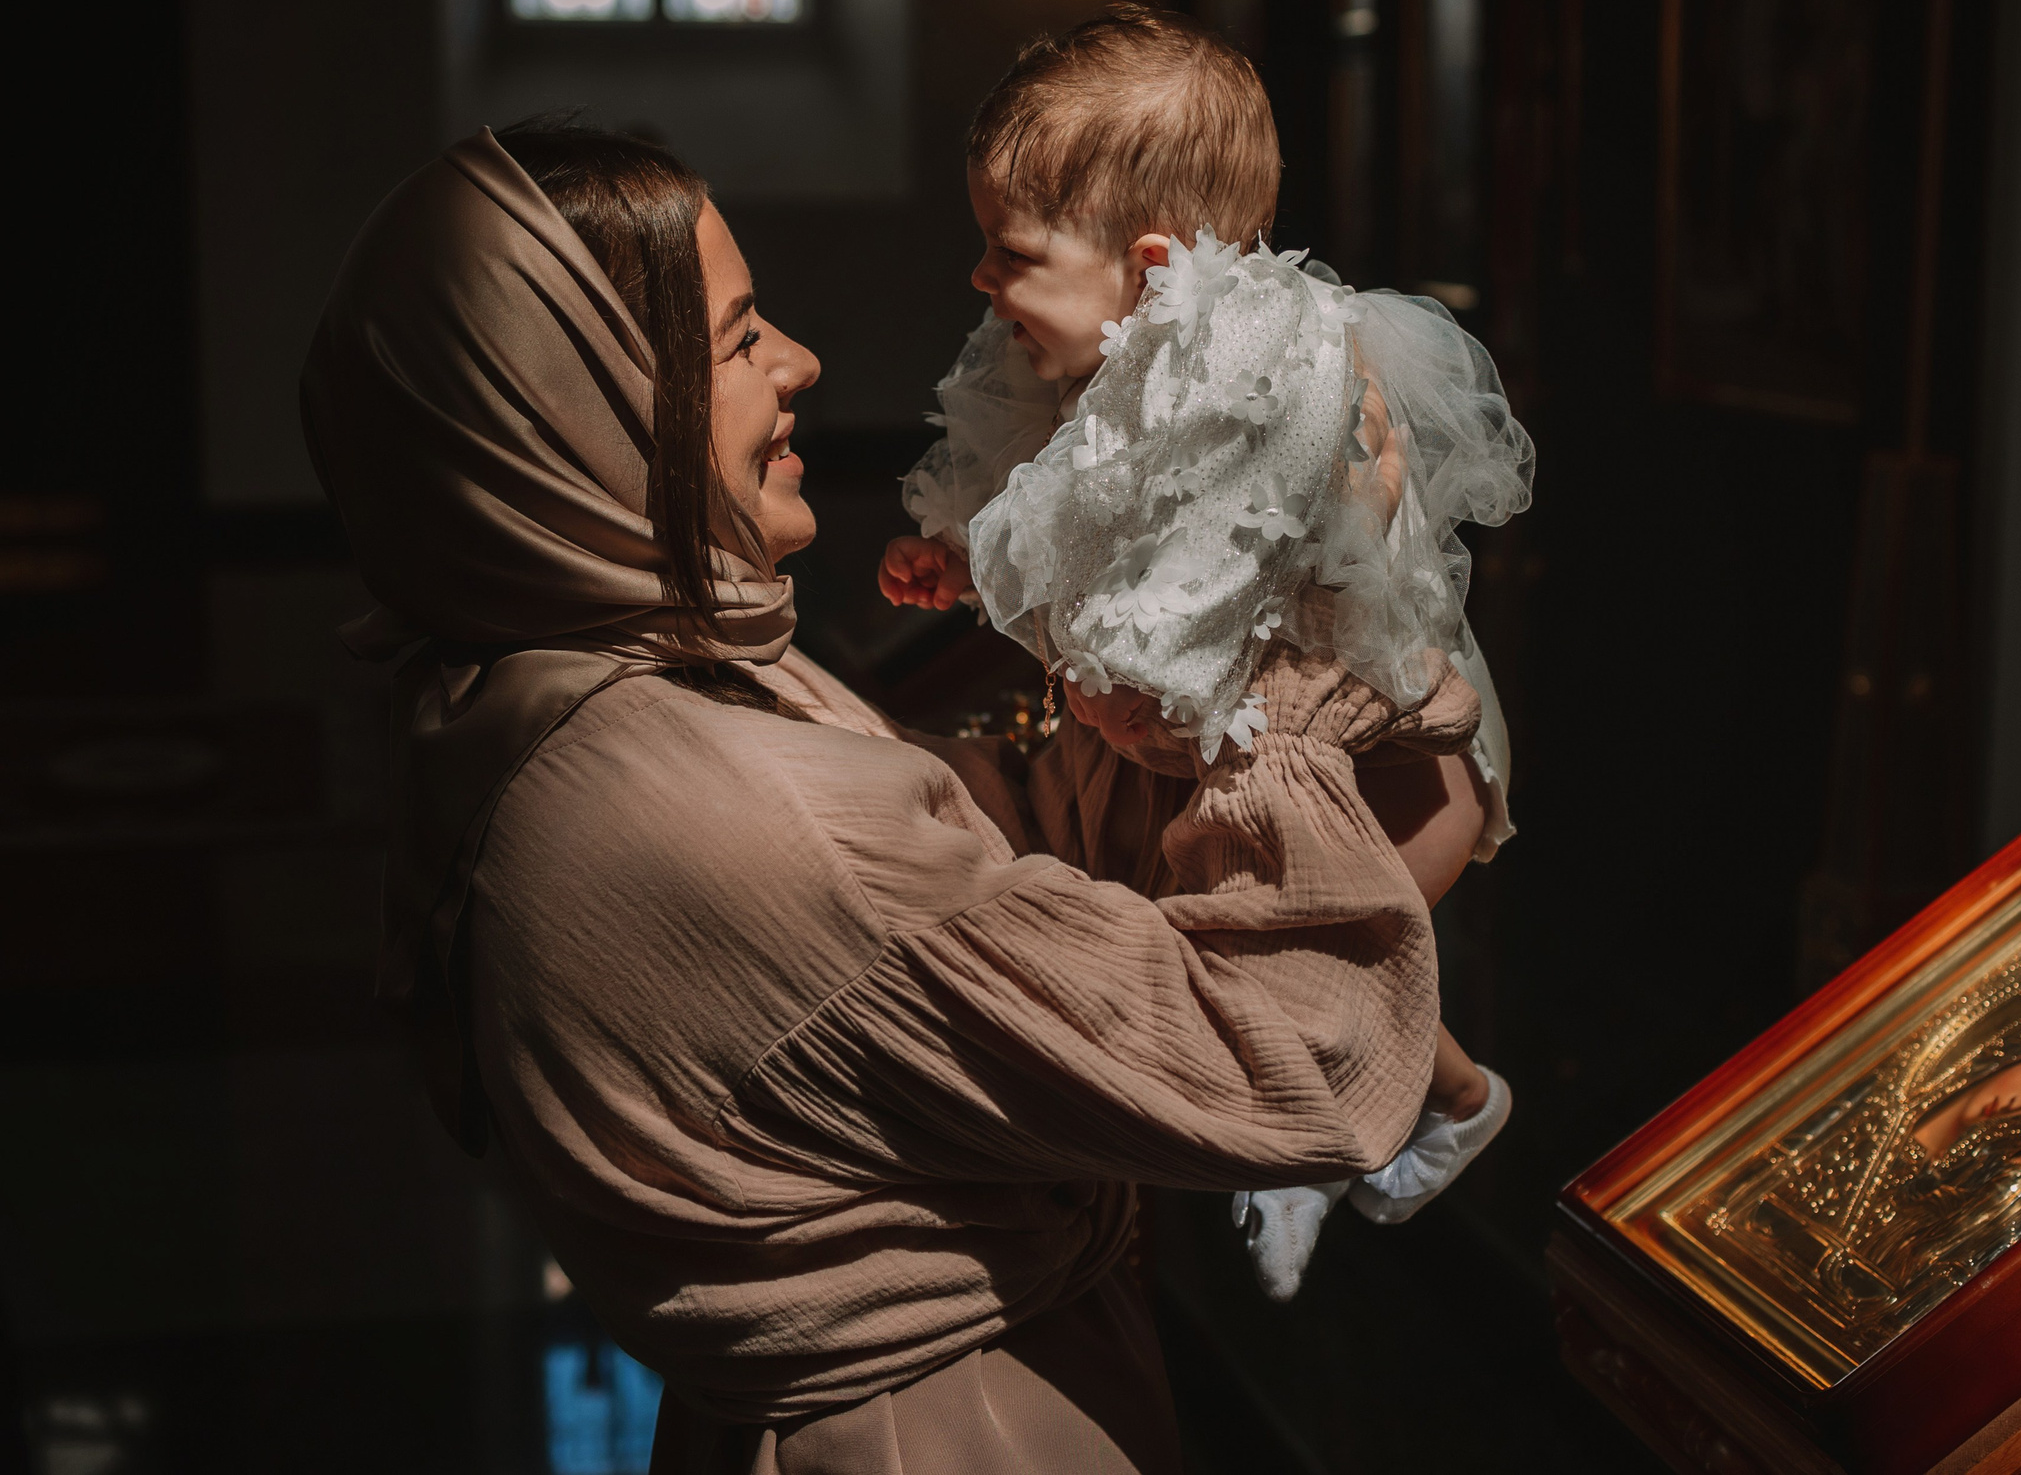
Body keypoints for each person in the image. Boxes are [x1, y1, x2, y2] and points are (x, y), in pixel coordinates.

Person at [302, 121, 1481, 1472]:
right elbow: (1288, 1062)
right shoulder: (728, 807)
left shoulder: (549, 689)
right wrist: (1297, 671)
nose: (799, 361)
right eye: (739, 341)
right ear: (579, 419)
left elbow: (937, 910)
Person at [877, 5, 1534, 1297]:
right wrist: (963, 550)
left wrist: (1133, 678)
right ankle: (1431, 1104)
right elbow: (1056, 484)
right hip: (1236, 736)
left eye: (1009, 253)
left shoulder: (1270, 372)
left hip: (1363, 739)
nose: (980, 281)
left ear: (1152, 260)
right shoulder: (1117, 347)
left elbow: (1199, 586)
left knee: (1268, 958)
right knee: (1222, 940)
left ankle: (1320, 1141)